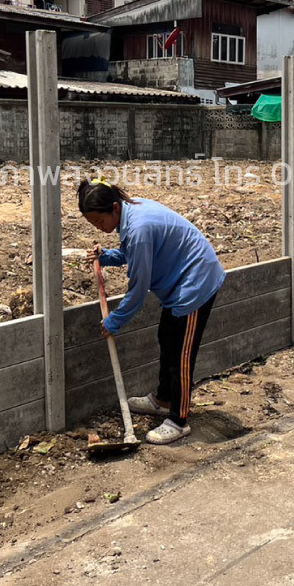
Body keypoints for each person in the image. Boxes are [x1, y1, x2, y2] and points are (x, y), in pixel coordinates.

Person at [79, 177, 226, 444]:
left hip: (195, 282)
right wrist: (109, 256)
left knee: (181, 353)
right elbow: (134, 251)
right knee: (167, 338)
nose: (99, 229)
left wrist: (115, 320)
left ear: (114, 208)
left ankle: (179, 420)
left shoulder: (138, 226)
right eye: (93, 225)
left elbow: (138, 289)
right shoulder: (130, 213)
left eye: (99, 222)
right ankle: (163, 399)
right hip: (179, 282)